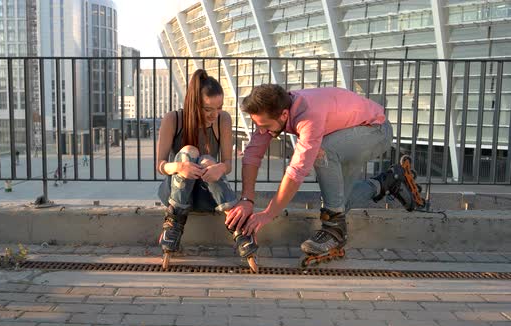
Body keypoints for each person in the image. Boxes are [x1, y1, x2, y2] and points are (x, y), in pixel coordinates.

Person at [225, 84, 423, 265]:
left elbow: (296, 172)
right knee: (338, 201)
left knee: (323, 151)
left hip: (375, 131)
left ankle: (334, 230)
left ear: (284, 115)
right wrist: (246, 199)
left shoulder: (309, 116)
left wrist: (268, 213)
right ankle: (390, 181)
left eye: (265, 126)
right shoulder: (274, 110)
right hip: (348, 133)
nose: (261, 130)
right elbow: (252, 155)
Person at [156, 69, 258, 271]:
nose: (215, 114)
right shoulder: (173, 119)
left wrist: (220, 167)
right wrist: (179, 166)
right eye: (208, 109)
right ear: (194, 104)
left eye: (219, 107)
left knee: (208, 160)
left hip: (208, 194)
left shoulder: (223, 120)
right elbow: (160, 166)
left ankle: (237, 226)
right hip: (176, 193)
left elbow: (227, 163)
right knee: (189, 151)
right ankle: (174, 221)